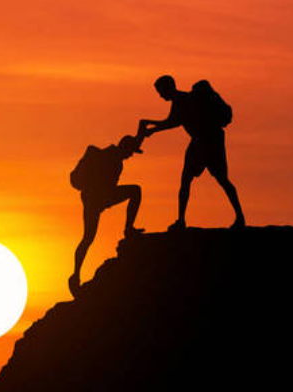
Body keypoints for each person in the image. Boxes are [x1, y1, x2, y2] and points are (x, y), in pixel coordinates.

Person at [140, 75, 245, 230]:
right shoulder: (180, 100)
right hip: (201, 141)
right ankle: (182, 220)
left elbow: (174, 122)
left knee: (218, 180)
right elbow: (172, 121)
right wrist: (151, 126)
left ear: (168, 88)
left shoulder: (184, 100)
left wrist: (152, 129)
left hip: (207, 141)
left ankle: (238, 217)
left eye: (160, 91)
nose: (160, 95)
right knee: (191, 180)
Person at [69, 134, 145, 297]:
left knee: (88, 238)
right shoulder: (111, 157)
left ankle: (75, 276)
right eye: (130, 152)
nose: (130, 156)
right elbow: (102, 180)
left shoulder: (115, 158)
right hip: (96, 199)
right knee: (88, 238)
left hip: (97, 199)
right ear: (125, 149)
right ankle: (75, 276)